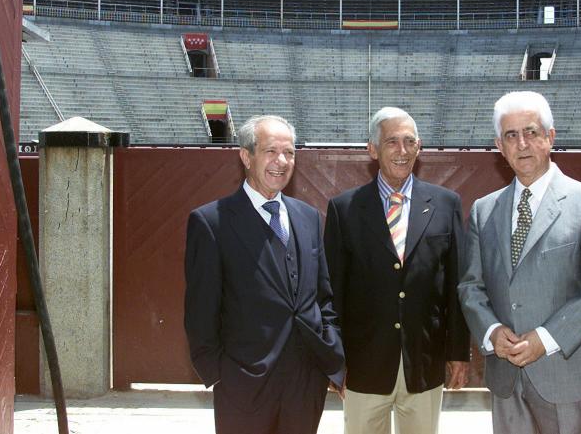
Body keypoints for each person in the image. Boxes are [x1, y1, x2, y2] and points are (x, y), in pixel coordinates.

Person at [458, 91, 581, 434]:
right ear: (499, 147)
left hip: (568, 375)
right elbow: (470, 286)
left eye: (531, 132)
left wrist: (546, 338)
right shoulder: (483, 210)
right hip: (506, 379)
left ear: (550, 137)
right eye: (511, 135)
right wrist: (490, 331)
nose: (522, 144)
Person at [184, 115, 344, 434]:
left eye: (290, 152)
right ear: (246, 156)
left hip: (305, 384)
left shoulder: (308, 218)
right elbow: (200, 311)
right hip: (243, 387)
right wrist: (220, 375)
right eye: (271, 151)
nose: (281, 161)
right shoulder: (211, 222)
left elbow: (323, 296)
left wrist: (332, 351)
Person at [324, 107, 471, 434]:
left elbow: (456, 285)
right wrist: (336, 360)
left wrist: (459, 352)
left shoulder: (446, 204)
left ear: (419, 148)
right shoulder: (344, 209)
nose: (402, 151)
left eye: (409, 142)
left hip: (425, 362)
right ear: (372, 149)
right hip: (363, 365)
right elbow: (332, 292)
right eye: (392, 142)